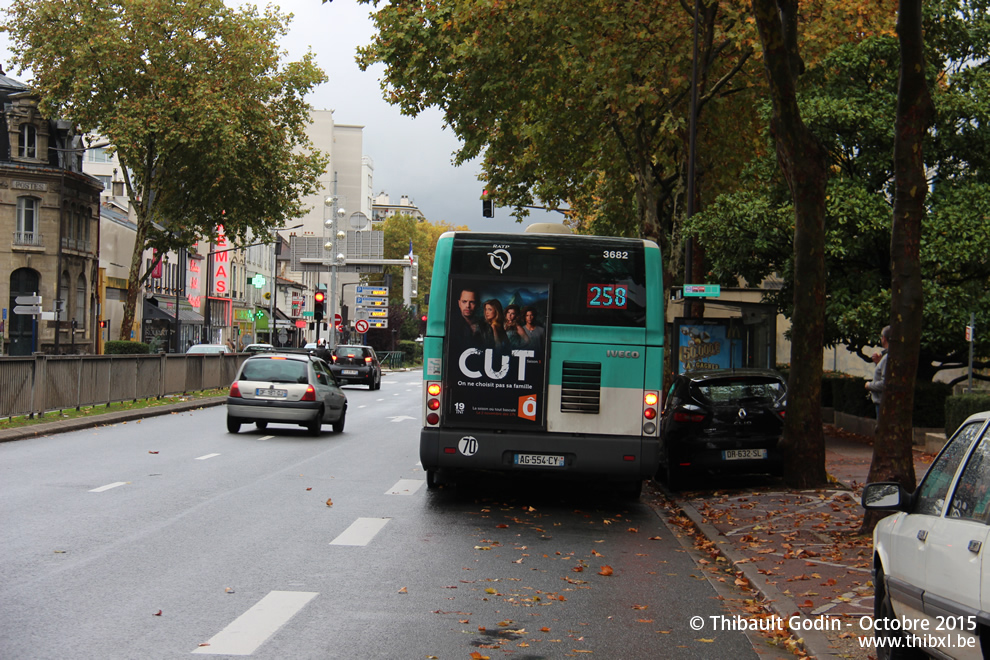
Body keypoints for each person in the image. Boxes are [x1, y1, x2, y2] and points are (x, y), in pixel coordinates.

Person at [865, 325, 891, 417]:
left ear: (884, 338)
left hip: (882, 403)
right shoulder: (887, 357)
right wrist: (878, 363)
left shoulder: (888, 358)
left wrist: (869, 385)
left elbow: (885, 383)